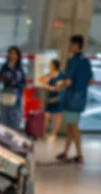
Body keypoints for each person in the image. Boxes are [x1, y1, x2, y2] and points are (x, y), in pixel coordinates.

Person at [56, 35, 94, 163]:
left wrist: (59, 84)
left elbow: (68, 81)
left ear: (76, 45)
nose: (70, 47)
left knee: (73, 127)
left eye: (71, 44)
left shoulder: (73, 61)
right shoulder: (86, 61)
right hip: (81, 97)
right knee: (71, 126)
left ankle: (79, 154)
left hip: (72, 98)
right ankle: (66, 151)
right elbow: (91, 80)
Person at [0, 46, 26, 130]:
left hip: (17, 93)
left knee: (15, 115)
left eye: (14, 54)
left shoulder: (20, 68)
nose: (12, 55)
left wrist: (21, 87)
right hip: (6, 92)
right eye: (10, 53)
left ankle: (14, 132)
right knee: (5, 114)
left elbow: (23, 82)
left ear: (18, 56)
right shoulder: (5, 67)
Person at [40, 59, 65, 142]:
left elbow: (58, 88)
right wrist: (48, 85)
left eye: (51, 65)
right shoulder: (48, 75)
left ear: (55, 66)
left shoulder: (61, 75)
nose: (50, 66)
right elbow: (43, 83)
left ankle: (54, 134)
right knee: (47, 116)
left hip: (59, 98)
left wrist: (49, 87)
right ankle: (43, 133)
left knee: (58, 116)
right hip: (50, 98)